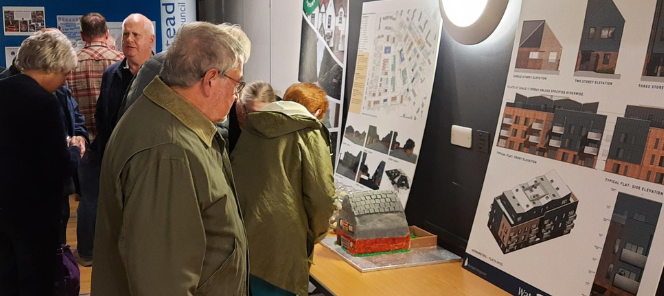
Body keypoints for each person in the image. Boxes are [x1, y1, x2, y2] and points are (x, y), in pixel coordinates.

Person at [92, 22, 249, 296]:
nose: (237, 95)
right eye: (237, 83)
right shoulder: (168, 151)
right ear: (210, 79)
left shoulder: (167, 121)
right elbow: (162, 284)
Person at [231, 83, 335, 296]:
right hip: (283, 248)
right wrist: (316, 234)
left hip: (247, 241)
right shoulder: (309, 133)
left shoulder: (251, 129)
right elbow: (322, 198)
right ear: (316, 113)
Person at [0, 30, 83, 296]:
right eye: (65, 73)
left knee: (7, 279)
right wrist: (74, 150)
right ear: (53, 67)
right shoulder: (44, 102)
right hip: (34, 214)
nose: (64, 81)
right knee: (37, 281)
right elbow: (57, 167)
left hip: (4, 210)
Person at [78, 14, 156, 266]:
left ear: (151, 40)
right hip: (114, 161)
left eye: (136, 35)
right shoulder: (112, 73)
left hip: (149, 164)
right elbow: (103, 114)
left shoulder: (164, 76)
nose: (129, 40)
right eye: (126, 34)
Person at [118, 23, 252, 152]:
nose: (235, 96)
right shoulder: (199, 80)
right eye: (235, 80)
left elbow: (127, 105)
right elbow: (216, 135)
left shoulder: (158, 62)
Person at [66, 12, 124, 266]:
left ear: (81, 35)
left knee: (89, 200)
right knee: (120, 199)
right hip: (116, 141)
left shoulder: (70, 63)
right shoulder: (121, 61)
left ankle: (87, 254)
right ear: (107, 33)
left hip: (84, 143)